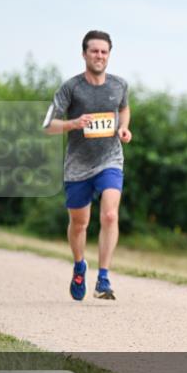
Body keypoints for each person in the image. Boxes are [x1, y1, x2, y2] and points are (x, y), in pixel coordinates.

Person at [43, 30, 132, 301]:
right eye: (94, 51)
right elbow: (48, 126)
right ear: (84, 54)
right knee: (79, 224)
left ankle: (103, 278)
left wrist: (124, 128)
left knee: (109, 215)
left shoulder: (119, 85)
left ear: (109, 55)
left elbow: (124, 108)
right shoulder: (70, 88)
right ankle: (80, 265)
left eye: (104, 52)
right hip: (78, 166)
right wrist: (72, 123)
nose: (99, 56)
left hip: (110, 160)